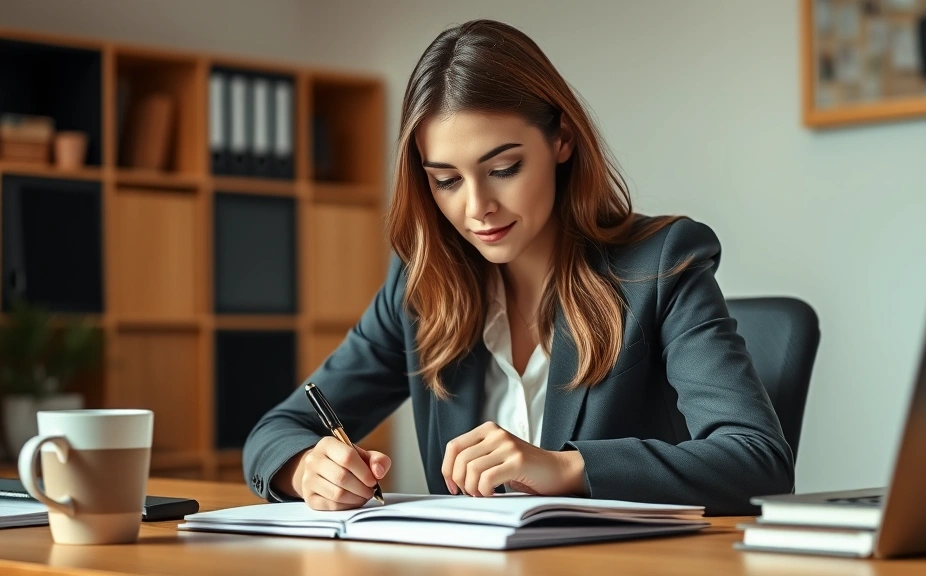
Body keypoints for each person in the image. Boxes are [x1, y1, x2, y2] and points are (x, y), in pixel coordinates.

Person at [242, 19, 793, 516]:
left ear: (562, 140)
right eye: (446, 180)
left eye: (503, 168)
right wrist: (306, 469)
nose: (476, 206)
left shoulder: (662, 264)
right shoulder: (421, 287)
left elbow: (757, 461)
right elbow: (278, 431)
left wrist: (566, 469)